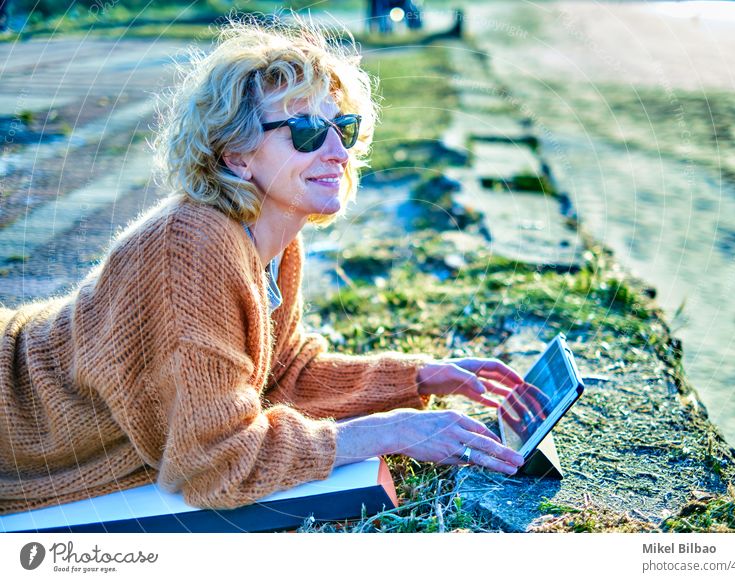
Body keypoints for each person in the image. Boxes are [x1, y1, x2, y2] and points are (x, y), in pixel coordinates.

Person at [0, 16, 524, 516]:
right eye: (304, 131)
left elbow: (284, 374)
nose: (338, 151)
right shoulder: (194, 245)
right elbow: (214, 464)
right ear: (237, 154)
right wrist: (389, 431)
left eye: (343, 125)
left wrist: (419, 377)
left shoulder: (272, 238)